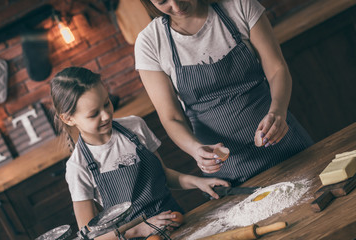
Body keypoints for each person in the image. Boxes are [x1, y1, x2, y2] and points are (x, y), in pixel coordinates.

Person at [135, 0, 314, 186]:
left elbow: (276, 69)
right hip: (228, 170)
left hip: (282, 140)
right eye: (163, 1)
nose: (177, 6)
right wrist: (196, 150)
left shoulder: (239, 5)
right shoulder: (150, 43)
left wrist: (278, 112)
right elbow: (171, 117)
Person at [50, 67, 229, 239]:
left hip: (176, 224)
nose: (105, 115)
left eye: (106, 103)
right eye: (93, 114)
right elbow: (90, 236)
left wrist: (199, 182)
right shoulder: (78, 166)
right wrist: (138, 230)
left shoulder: (135, 127)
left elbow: (164, 175)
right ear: (68, 118)